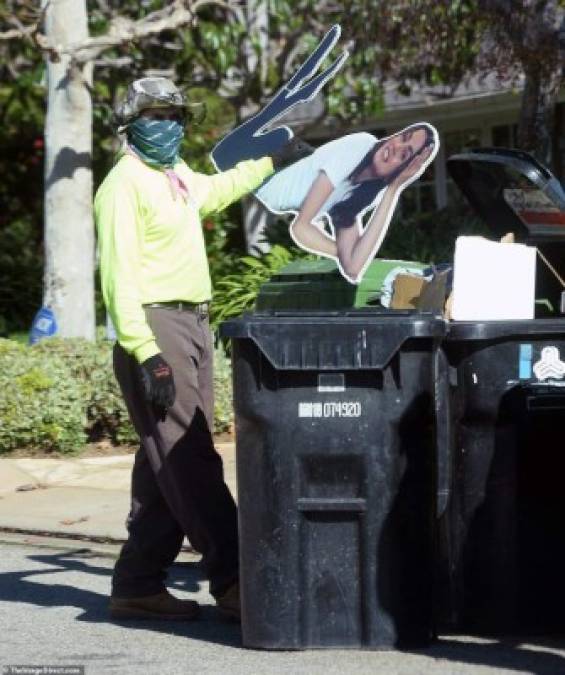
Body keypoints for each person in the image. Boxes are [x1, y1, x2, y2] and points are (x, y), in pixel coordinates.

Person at [94, 76, 310, 622]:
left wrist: (269, 162)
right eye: (156, 115)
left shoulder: (175, 175)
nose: (168, 125)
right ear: (131, 120)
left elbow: (213, 193)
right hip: (156, 324)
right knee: (190, 456)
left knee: (164, 459)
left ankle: (137, 584)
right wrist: (146, 352)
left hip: (192, 321)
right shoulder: (122, 186)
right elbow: (118, 278)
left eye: (175, 116)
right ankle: (235, 578)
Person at [255, 123, 437, 283]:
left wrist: (393, 190)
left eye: (404, 154)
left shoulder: (366, 193)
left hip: (259, 188)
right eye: (403, 137)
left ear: (401, 170)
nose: (397, 146)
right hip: (258, 171)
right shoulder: (359, 146)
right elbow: (301, 227)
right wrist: (343, 253)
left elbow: (353, 269)